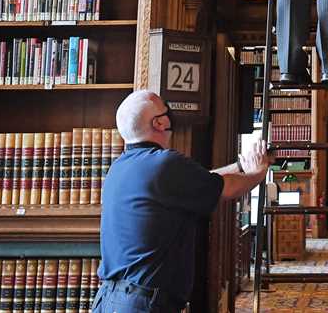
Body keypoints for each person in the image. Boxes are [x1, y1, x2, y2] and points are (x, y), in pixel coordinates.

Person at [94, 90, 270, 313]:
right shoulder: (164, 163)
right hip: (142, 304)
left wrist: (242, 166)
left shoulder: (120, 167)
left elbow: (203, 180)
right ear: (159, 123)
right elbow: (228, 189)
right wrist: (258, 172)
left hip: (110, 299)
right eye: (166, 110)